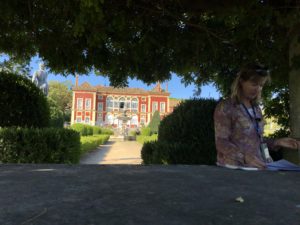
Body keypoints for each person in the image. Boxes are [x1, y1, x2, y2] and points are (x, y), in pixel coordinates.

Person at [214, 63, 299, 169]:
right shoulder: (226, 107)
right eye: (254, 84)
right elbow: (221, 142)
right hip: (235, 169)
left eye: (261, 85)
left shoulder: (256, 109)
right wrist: (244, 157)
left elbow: (258, 141)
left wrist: (277, 142)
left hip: (259, 167)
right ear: (241, 82)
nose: (258, 89)